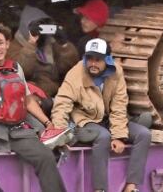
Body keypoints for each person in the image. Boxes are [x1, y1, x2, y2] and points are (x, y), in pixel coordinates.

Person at [0, 22, 70, 192]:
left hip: (15, 127)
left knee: (45, 156)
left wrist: (47, 123)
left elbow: (27, 100)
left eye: (0, 43)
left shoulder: (15, 67)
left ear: (7, 44)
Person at [52, 39, 150, 192]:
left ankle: (131, 186)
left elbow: (119, 106)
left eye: (98, 59)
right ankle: (100, 189)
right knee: (103, 137)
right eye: (89, 58)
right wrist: (60, 133)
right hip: (84, 121)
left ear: (108, 60)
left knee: (143, 134)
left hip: (108, 119)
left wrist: (119, 136)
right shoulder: (76, 73)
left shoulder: (116, 72)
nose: (92, 63)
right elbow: (62, 103)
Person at [8, 7, 79, 111]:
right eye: (38, 27)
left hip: (56, 93)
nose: (41, 31)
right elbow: (21, 71)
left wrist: (64, 44)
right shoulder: (13, 46)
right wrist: (31, 45)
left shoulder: (51, 43)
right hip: (34, 97)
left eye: (44, 26)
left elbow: (68, 68)